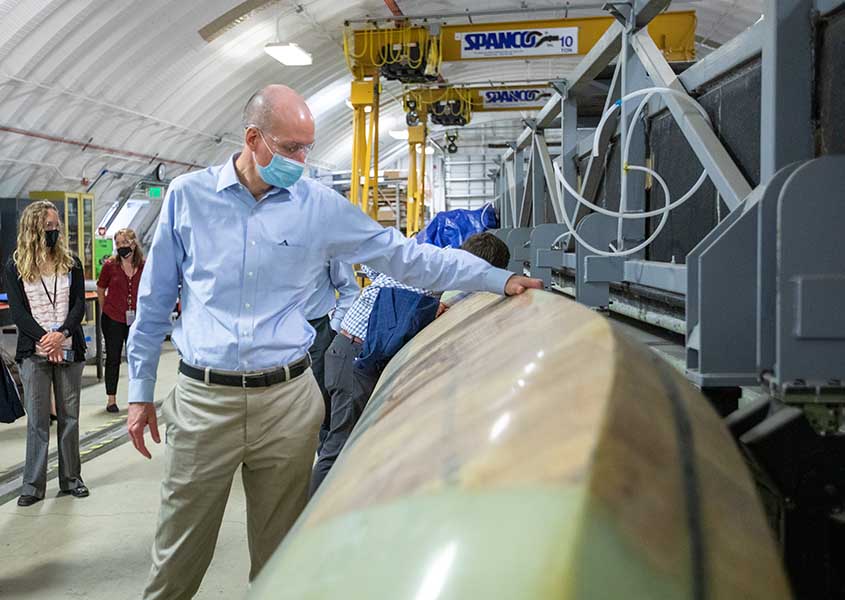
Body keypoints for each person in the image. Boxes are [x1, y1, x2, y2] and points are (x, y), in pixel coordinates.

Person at [125, 84, 541, 599]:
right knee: (177, 558)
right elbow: (152, 302)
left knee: (282, 559)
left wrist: (493, 278)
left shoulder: (318, 207)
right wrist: (140, 391)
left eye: (308, 147)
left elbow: (407, 257)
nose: (303, 160)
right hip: (204, 400)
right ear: (253, 139)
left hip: (288, 400)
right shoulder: (188, 198)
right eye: (292, 147)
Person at [309, 232, 512, 494]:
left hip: (346, 352)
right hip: (354, 358)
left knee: (334, 441)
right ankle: (314, 523)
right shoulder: (435, 269)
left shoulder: (426, 262)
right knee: (340, 447)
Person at [3, 201, 89, 507]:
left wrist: (61, 335)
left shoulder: (72, 263)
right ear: (33, 229)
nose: (54, 232)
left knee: (70, 417)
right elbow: (19, 313)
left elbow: (79, 305)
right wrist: (45, 339)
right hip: (34, 354)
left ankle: (72, 479)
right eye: (48, 227)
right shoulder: (16, 267)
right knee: (38, 421)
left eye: (56, 227)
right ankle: (33, 485)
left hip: (68, 349)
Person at [303, 259, 359, 450]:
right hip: (274, 332)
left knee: (320, 403)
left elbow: (349, 289)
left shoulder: (325, 240)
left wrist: (333, 327)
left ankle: (324, 464)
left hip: (317, 330)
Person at [96, 228, 145, 413]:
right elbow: (101, 289)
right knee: (113, 357)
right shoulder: (110, 265)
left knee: (136, 358)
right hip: (113, 318)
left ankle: (137, 396)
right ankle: (111, 399)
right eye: (118, 244)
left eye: (124, 243)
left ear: (133, 243)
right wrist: (106, 308)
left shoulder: (143, 266)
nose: (121, 247)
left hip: (136, 319)